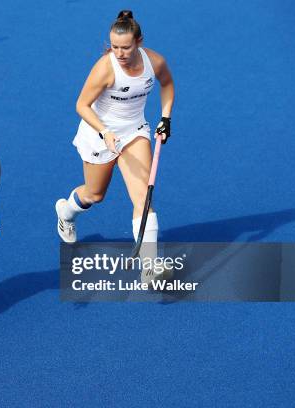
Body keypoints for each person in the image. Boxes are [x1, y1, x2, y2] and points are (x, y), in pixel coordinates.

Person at [55, 10, 174, 280]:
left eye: (125, 47)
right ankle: (65, 212)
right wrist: (105, 132)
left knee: (143, 197)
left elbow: (167, 85)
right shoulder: (104, 69)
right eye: (114, 47)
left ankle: (150, 266)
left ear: (139, 42)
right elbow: (81, 105)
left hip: (134, 132)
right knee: (94, 195)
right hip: (99, 133)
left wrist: (165, 118)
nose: (119, 53)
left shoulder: (154, 62)